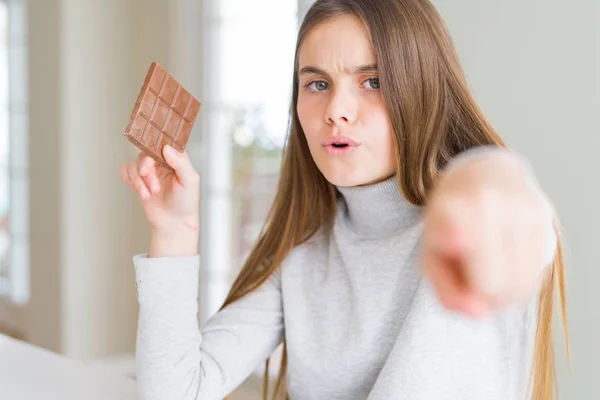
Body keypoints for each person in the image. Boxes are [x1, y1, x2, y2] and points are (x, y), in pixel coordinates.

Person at [119, 0, 569, 399]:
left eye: (372, 81)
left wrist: (494, 181)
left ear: (423, 89)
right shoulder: (303, 252)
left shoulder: (464, 232)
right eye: (317, 85)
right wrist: (175, 233)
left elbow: (501, 191)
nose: (336, 110)